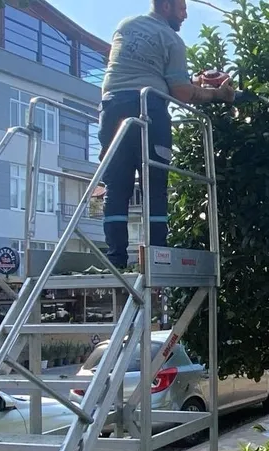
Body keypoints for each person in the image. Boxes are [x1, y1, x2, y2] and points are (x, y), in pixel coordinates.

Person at [98, 0, 235, 269]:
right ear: (166, 6)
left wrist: (192, 82)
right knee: (154, 185)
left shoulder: (126, 26)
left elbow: (142, 70)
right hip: (148, 110)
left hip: (112, 109)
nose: (185, 15)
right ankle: (156, 258)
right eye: (181, 8)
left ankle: (115, 260)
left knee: (116, 186)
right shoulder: (171, 39)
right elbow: (181, 92)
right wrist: (218, 94)